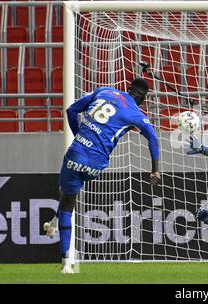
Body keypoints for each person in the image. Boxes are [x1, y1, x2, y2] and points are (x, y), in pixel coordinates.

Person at [43, 78, 161, 274]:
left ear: (128, 88)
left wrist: (78, 135)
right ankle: (53, 224)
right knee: (68, 192)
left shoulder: (103, 91)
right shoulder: (136, 113)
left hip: (76, 154)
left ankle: (66, 264)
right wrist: (155, 169)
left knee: (67, 202)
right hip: (97, 165)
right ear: (143, 99)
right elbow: (154, 138)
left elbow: (71, 110)